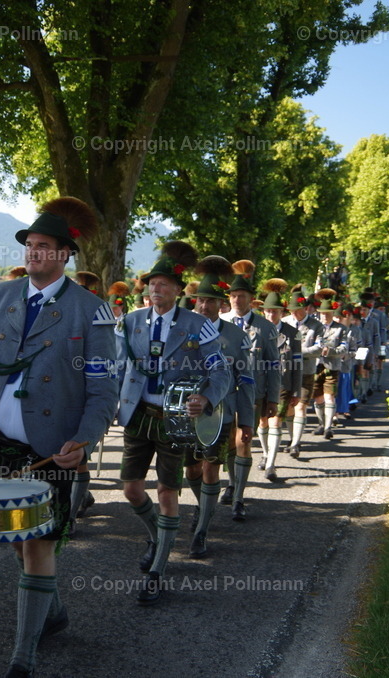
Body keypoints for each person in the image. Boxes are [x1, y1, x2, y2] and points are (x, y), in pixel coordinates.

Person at [0, 198, 118, 677]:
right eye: (30, 245)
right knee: (17, 539)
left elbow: (103, 386)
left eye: (43, 246)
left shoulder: (92, 310)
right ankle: (51, 611)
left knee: (39, 543)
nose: (33, 252)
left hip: (53, 449)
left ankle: (23, 656)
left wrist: (85, 439)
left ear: (64, 254)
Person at [116, 241, 230, 604]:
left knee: (167, 491)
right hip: (137, 416)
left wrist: (206, 398)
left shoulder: (200, 326)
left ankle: (157, 571)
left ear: (179, 290)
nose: (155, 289)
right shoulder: (130, 322)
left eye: (163, 284)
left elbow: (221, 371)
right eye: (152, 283)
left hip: (175, 420)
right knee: (131, 490)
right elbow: (117, 369)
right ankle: (157, 537)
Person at [185, 256, 253, 556]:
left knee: (211, 468)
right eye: (200, 300)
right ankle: (203, 506)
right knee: (191, 470)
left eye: (210, 301)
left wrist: (247, 420)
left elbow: (246, 381)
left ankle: (202, 529)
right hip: (186, 412)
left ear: (221, 304)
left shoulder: (236, 336)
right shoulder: (182, 329)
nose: (204, 306)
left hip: (221, 412)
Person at [218, 260, 280, 519]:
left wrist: (273, 398)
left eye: (241, 295)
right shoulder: (220, 323)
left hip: (253, 393)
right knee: (228, 442)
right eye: (233, 295)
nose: (236, 300)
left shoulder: (265, 327)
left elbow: (274, 365)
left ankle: (239, 499)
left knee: (244, 440)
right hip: (224, 394)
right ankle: (232, 484)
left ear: (251, 299)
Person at [69, 270, 105, 524]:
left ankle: (71, 514)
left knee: (79, 457)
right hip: (61, 394)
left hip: (84, 397)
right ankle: (83, 495)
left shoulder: (96, 321)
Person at [257, 280, 301, 482]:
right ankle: (266, 454)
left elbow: (298, 364)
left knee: (276, 421)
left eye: (275, 311)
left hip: (283, 384)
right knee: (262, 422)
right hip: (260, 383)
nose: (271, 315)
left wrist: (297, 391)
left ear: (282, 312)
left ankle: (271, 465)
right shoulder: (256, 330)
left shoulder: (292, 333)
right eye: (268, 311)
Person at [282, 285, 323, 458]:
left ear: (305, 308)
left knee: (301, 406)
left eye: (297, 310)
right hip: (287, 372)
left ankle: (295, 444)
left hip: (306, 371)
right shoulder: (284, 322)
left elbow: (319, 348)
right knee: (289, 408)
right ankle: (293, 438)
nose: (294, 313)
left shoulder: (316, 326)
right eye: (291, 310)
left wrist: (297, 352)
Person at [306, 289, 348, 440]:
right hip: (315, 366)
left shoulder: (341, 329)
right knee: (317, 397)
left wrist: (331, 351)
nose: (324, 316)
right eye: (322, 313)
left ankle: (328, 427)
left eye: (327, 313)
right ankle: (321, 424)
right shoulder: (313, 327)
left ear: (332, 312)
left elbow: (344, 348)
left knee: (329, 396)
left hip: (332, 367)